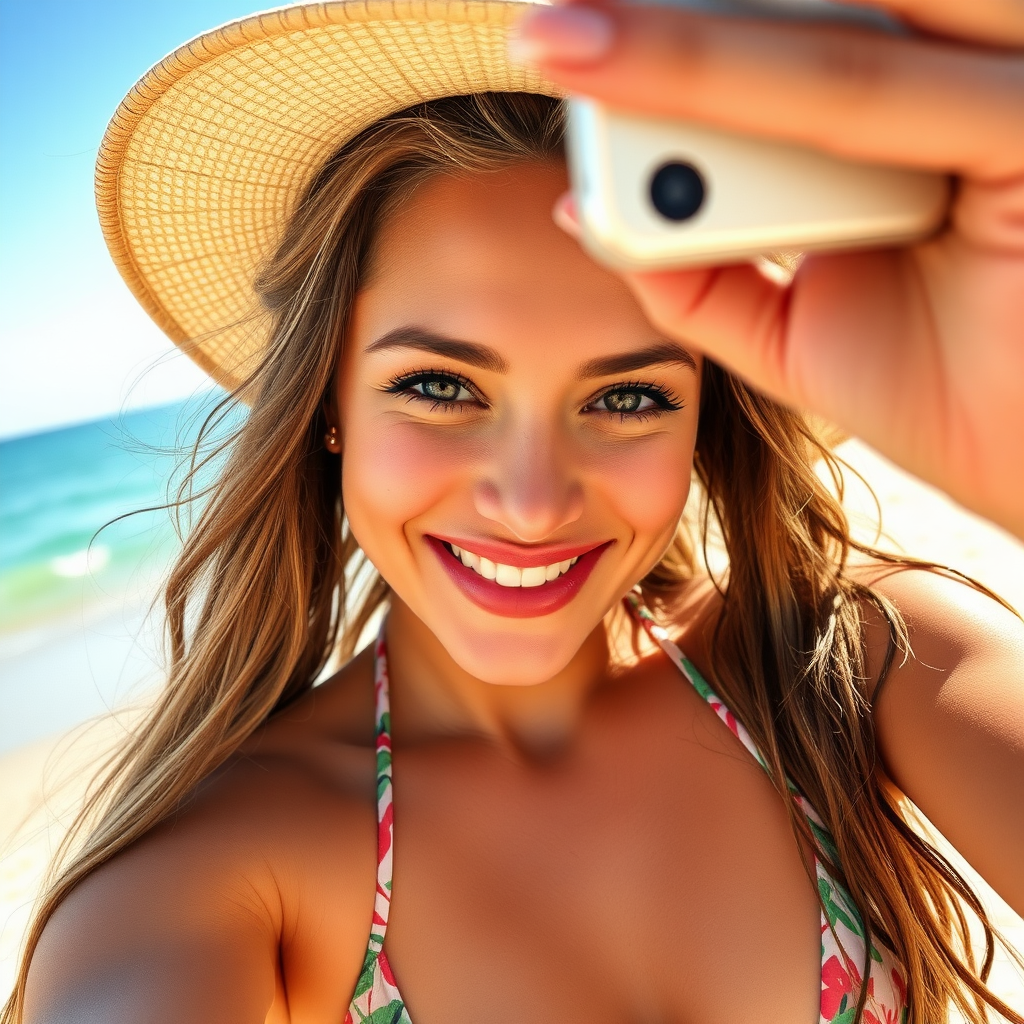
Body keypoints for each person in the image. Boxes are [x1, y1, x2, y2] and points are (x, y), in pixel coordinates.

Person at [5, 2, 1023, 1022]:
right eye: (443, 387)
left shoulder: (856, 672)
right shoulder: (213, 876)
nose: (532, 502)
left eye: (627, 398)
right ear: (326, 404)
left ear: (705, 414)